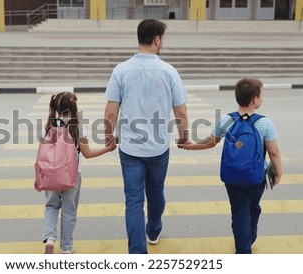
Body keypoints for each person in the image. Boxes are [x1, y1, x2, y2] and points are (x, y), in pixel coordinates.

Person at [104, 19, 189, 254]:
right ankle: (153, 229)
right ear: (157, 39)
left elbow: (111, 110)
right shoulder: (169, 71)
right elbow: (180, 110)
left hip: (130, 149)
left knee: (133, 201)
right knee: (156, 192)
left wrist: (108, 136)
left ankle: (138, 255)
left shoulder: (121, 70)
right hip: (159, 149)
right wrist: (184, 136)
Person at [179, 78, 283, 254]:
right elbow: (274, 152)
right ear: (254, 100)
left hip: (232, 176)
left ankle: (243, 242)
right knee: (253, 206)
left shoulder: (227, 120)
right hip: (256, 176)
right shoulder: (264, 123)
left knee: (238, 210)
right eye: (261, 95)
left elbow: (210, 142)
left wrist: (191, 146)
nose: (262, 98)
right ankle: (245, 246)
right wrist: (278, 173)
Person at [40, 92, 116, 254]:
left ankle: (50, 238)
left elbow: (41, 153)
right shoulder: (77, 126)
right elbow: (87, 154)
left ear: (55, 107)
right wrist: (108, 148)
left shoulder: (49, 125)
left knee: (51, 206)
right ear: (74, 107)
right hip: (72, 175)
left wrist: (39, 174)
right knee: (69, 210)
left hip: (50, 175)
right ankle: (66, 248)